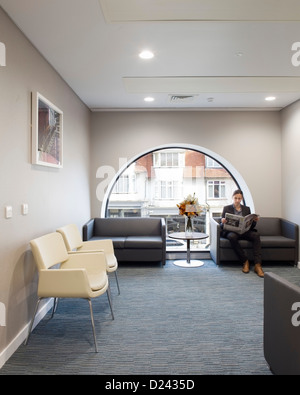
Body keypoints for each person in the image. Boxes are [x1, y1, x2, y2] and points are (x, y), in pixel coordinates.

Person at [221, 189, 264, 278]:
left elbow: (251, 227)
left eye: (239, 198)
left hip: (244, 232)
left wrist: (254, 221)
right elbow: (222, 225)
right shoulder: (227, 208)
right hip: (232, 232)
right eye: (235, 198)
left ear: (242, 199)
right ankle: (245, 261)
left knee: (256, 235)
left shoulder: (246, 209)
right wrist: (223, 222)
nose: (237, 200)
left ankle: (257, 265)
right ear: (232, 198)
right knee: (232, 237)